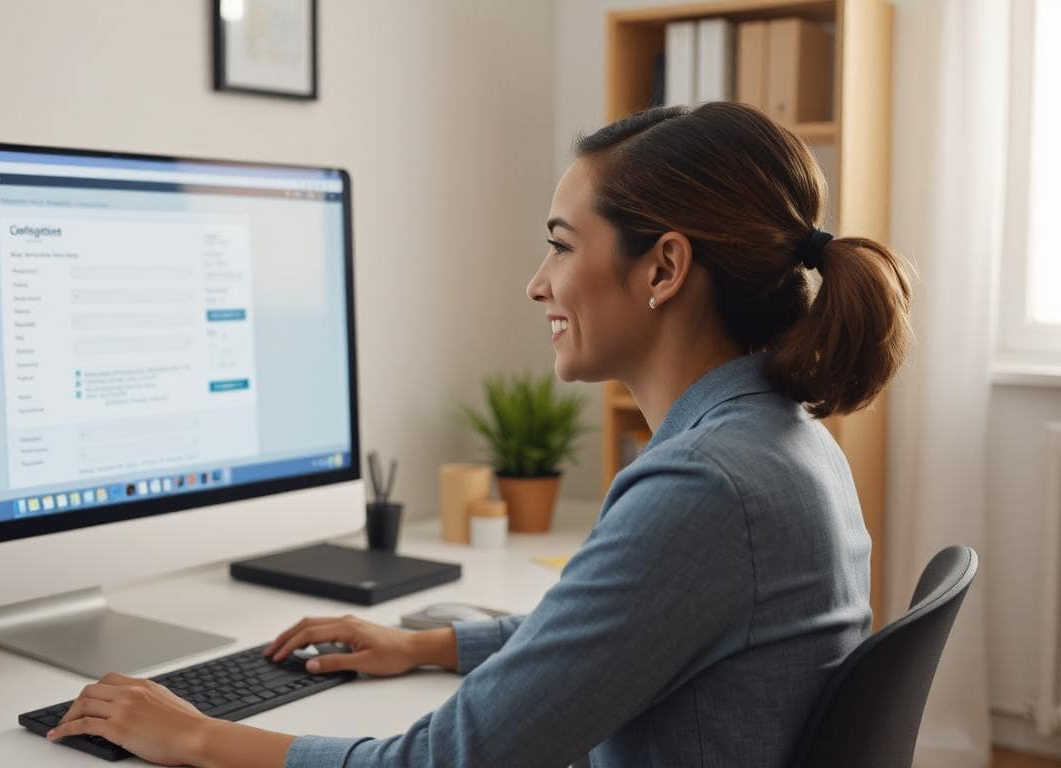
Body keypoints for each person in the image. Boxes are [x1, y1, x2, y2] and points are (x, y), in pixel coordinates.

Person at [45, 101, 914, 767]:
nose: (538, 284)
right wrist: (424, 642)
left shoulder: (709, 486)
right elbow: (615, 634)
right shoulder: (780, 438)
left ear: (665, 267)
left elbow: (442, 761)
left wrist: (198, 739)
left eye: (561, 247)